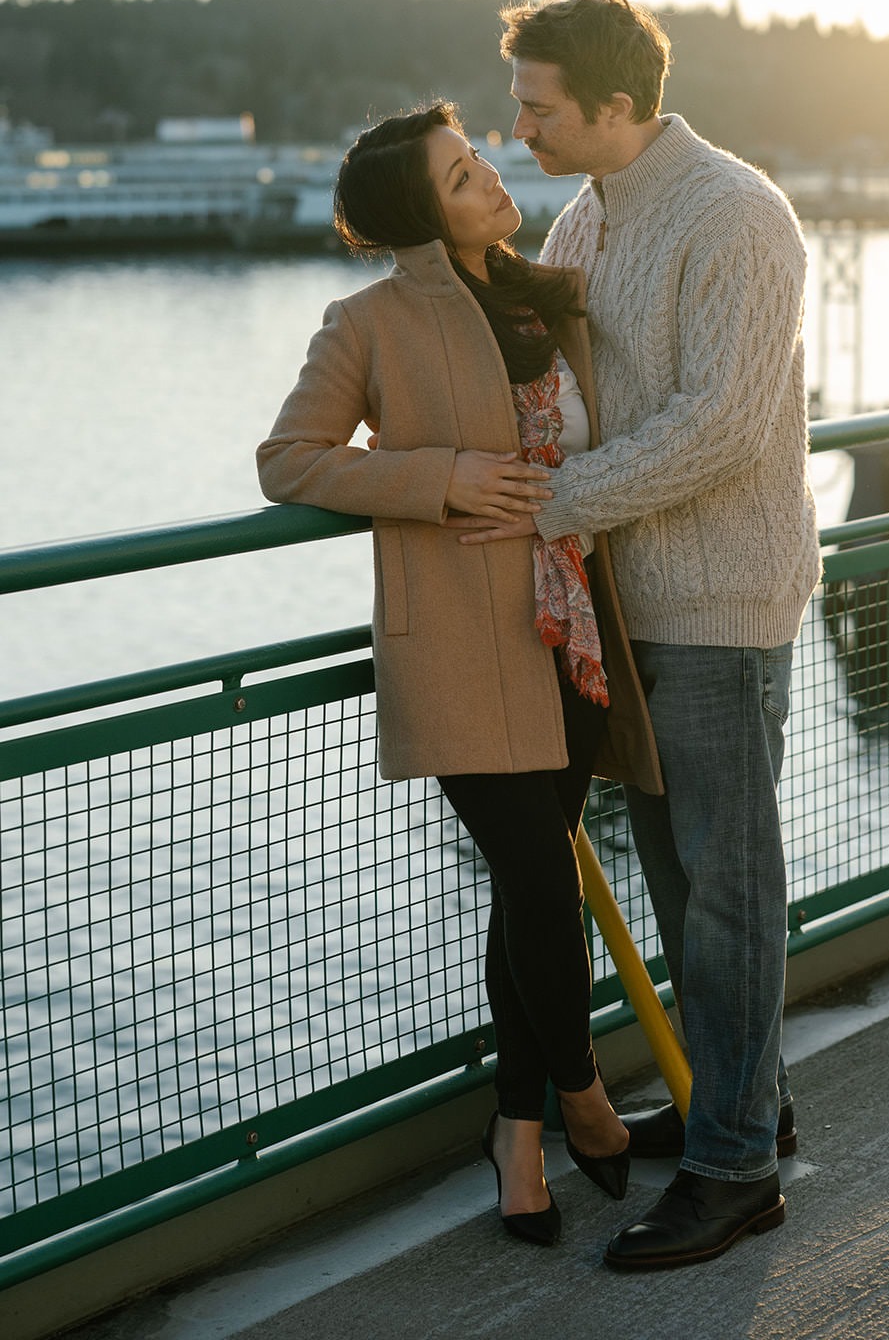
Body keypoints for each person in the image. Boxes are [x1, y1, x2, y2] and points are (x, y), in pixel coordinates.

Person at [455, 0, 821, 1269]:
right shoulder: (587, 211)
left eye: (539, 104)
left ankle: (733, 1172)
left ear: (615, 103)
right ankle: (743, 1104)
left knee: (724, 892)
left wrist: (552, 502)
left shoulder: (736, 214)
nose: (521, 124)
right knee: (681, 879)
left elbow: (718, 425)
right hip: (629, 608)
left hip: (718, 609)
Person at [256, 103, 662, 1250]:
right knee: (539, 883)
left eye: (477, 156)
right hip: (455, 649)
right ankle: (582, 1097)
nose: (487, 172)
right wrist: (438, 476)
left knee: (524, 897)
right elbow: (288, 459)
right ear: (416, 215)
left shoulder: (544, 297)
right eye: (458, 172)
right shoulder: (368, 320)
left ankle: (518, 1140)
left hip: (566, 638)